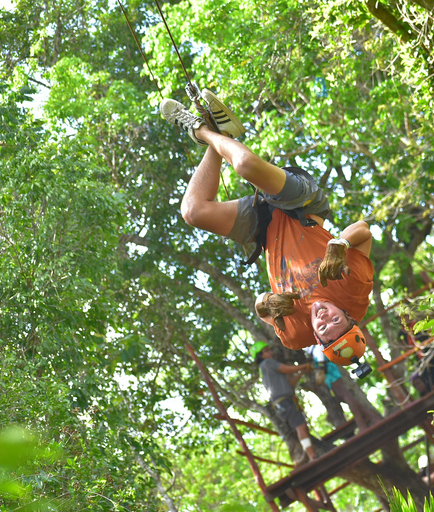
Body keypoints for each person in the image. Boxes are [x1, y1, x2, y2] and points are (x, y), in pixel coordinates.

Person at [160, 91, 374, 368]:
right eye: (336, 319)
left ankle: (215, 134)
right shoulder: (354, 293)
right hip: (303, 208)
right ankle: (202, 131)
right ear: (348, 315)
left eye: (323, 328)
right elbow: (364, 230)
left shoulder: (297, 336)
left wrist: (269, 301)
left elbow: (261, 309)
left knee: (193, 212)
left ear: (317, 340)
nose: (324, 317)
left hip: (265, 229)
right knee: (245, 165)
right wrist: (339, 245)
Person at [252, 341, 316, 462]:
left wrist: (301, 372)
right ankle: (312, 456)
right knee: (300, 426)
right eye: (266, 351)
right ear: (260, 355)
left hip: (284, 402)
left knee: (300, 426)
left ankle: (307, 456)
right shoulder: (267, 363)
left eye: (269, 349)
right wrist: (305, 366)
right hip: (284, 402)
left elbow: (290, 384)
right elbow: (287, 369)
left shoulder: (267, 370)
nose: (270, 352)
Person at [306, 345, 382, 430]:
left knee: (347, 397)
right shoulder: (315, 350)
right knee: (345, 397)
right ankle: (372, 417)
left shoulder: (317, 349)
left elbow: (321, 365)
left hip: (333, 375)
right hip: (330, 377)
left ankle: (361, 424)